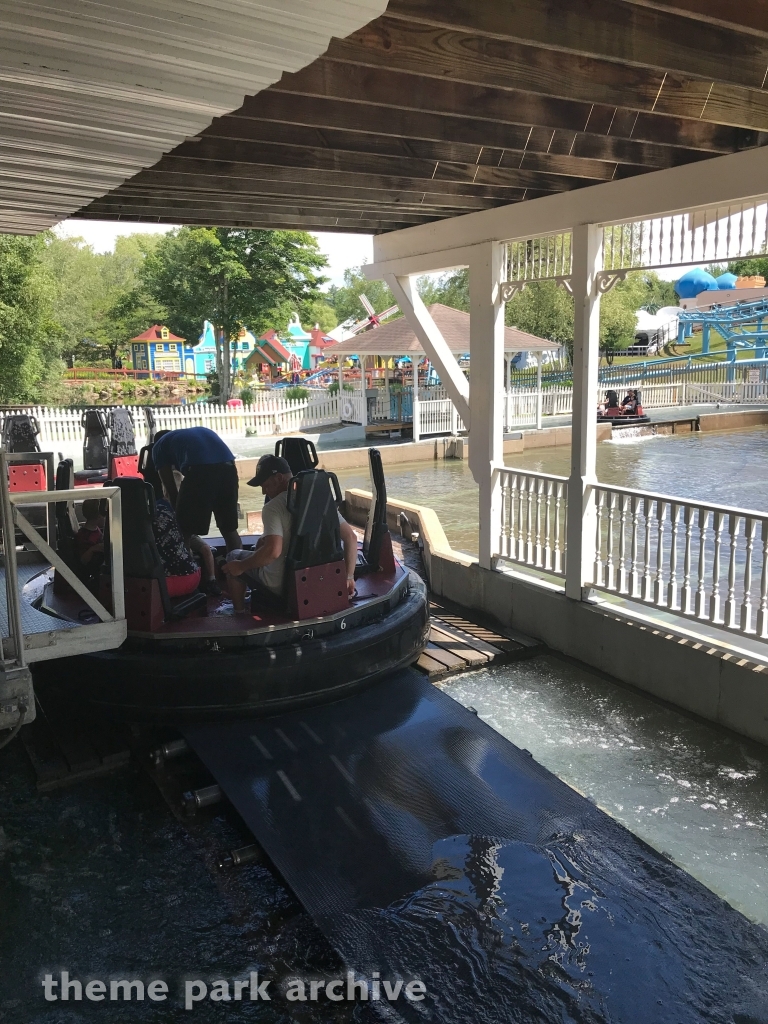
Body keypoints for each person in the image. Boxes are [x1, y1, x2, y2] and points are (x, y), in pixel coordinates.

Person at [222, 455, 358, 613]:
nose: (263, 491)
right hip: (318, 579)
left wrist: (241, 566)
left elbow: (273, 551)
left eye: (265, 485)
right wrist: (348, 577)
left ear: (279, 478)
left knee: (233, 557)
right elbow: (351, 538)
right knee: (259, 547)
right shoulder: (319, 501)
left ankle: (239, 613)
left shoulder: (272, 508)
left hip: (281, 584)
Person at [151, 427, 242, 552]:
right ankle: (237, 567)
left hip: (200, 471)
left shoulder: (158, 447)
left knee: (184, 530)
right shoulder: (190, 435)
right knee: (229, 528)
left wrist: (176, 516)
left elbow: (172, 492)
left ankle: (187, 568)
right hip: (229, 468)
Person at [152, 496, 221, 597]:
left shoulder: (168, 503)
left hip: (185, 531)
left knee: (206, 549)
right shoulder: (164, 506)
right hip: (176, 533)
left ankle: (212, 580)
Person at [75, 499, 105, 570]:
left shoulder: (96, 529)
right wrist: (93, 549)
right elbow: (83, 560)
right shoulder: (84, 536)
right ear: (99, 517)